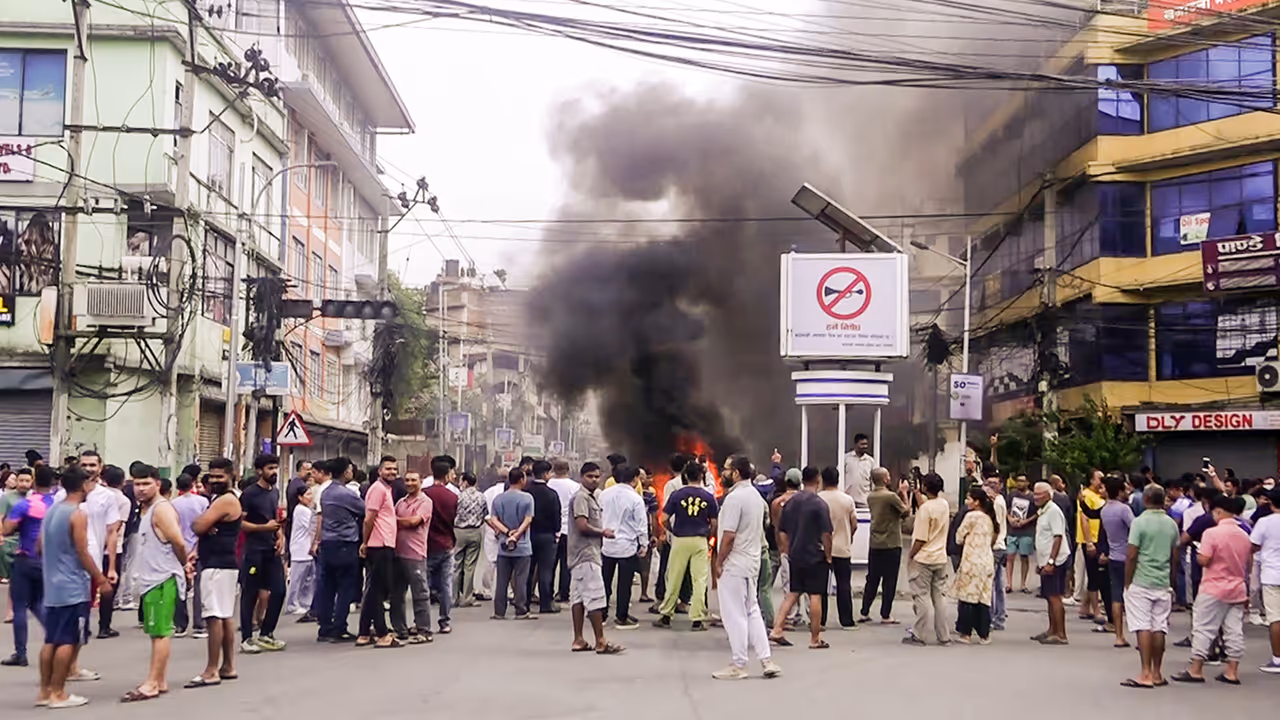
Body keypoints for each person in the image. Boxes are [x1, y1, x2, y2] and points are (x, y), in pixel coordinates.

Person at [35, 467, 109, 709]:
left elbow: (39, 547)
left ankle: (45, 692)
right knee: (68, 640)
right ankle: (58, 693)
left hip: (53, 583)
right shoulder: (77, 514)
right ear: (84, 485)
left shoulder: (52, 510)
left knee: (51, 640)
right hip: (72, 585)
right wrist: (100, 578)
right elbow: (82, 551)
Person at [119, 467, 188, 702]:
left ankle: (152, 683)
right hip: (150, 578)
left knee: (160, 633)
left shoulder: (161, 510)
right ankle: (159, 679)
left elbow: (179, 541)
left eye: (146, 483)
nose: (140, 488)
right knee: (155, 633)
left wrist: (183, 565)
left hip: (161, 578)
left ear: (157, 484)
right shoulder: (147, 509)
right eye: (137, 484)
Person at [712, 455, 782, 680]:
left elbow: (729, 536)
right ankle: (766, 660)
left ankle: (739, 664)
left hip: (734, 564)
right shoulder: (754, 496)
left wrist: (719, 561)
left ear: (736, 473)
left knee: (734, 615)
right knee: (752, 611)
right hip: (751, 563)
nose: (723, 473)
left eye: (726, 469)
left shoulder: (734, 499)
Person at [1172, 495, 1252, 685]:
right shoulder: (1244, 534)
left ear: (1218, 511)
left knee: (1203, 628)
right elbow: (1248, 564)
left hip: (1213, 587)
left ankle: (1196, 669)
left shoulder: (1211, 534)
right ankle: (1232, 671)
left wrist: (1200, 554)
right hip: (1237, 587)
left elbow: (1205, 559)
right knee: (1234, 630)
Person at [187, 464, 242, 688]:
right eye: (212, 476)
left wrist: (205, 523)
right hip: (223, 563)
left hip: (217, 565)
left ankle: (211, 670)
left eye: (221, 476)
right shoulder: (220, 499)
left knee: (213, 616)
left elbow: (198, 526)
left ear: (231, 477)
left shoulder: (225, 500)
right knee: (224, 615)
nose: (215, 480)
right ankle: (227, 666)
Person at [769, 463, 833, 650]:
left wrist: (786, 549)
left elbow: (781, 530)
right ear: (818, 479)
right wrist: (828, 556)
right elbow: (826, 534)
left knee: (792, 593)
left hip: (795, 555)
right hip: (815, 555)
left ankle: (777, 629)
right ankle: (815, 638)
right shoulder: (819, 504)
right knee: (815, 595)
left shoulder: (791, 503)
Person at [1122, 484, 1180, 689]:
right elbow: (1175, 556)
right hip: (1162, 581)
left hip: (1141, 580)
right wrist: (1172, 580)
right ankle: (1157, 672)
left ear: (1146, 499)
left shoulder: (1139, 523)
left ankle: (1145, 672)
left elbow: (1131, 554)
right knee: (1159, 627)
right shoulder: (1171, 524)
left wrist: (1127, 582)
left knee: (1142, 626)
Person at [2, 464, 57, 667]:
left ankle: (21, 653)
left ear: (34, 481)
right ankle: (56, 637)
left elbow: (7, 529)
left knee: (19, 607)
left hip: (26, 558)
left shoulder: (25, 504)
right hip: (47, 561)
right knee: (38, 602)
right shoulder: (57, 504)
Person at [653, 461, 718, 631]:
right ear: (701, 476)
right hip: (700, 540)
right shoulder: (709, 497)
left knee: (674, 577)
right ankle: (697, 619)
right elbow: (714, 523)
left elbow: (664, 518)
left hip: (680, 539)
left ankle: (666, 615)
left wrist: (672, 530)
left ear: (685, 476)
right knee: (699, 579)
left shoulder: (677, 495)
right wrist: (708, 536)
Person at [568, 462, 623, 654]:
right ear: (582, 477)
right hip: (586, 555)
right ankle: (601, 641)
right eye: (590, 476)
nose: (594, 480)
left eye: (597, 476)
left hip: (580, 555)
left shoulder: (590, 497)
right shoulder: (581, 497)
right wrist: (603, 532)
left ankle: (579, 639)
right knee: (595, 598)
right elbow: (582, 525)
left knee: (578, 597)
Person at [236, 454, 286, 654]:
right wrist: (263, 528)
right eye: (270, 468)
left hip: (271, 550)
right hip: (254, 551)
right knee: (251, 593)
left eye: (275, 468)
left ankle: (266, 633)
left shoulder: (274, 492)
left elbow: (274, 519)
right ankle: (247, 637)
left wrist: (280, 535)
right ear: (259, 471)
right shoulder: (249, 494)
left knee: (280, 590)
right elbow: (240, 523)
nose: (274, 472)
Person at [312, 459, 364, 643]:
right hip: (345, 543)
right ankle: (339, 627)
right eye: (350, 469)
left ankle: (325, 627)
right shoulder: (346, 493)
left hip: (328, 543)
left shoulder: (326, 492)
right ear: (345, 472)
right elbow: (364, 510)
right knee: (345, 587)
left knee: (328, 587)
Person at [357, 455, 400, 648]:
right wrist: (365, 542)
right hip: (379, 545)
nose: (392, 472)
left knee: (374, 589)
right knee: (378, 591)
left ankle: (364, 632)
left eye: (394, 469)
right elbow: (369, 519)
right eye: (388, 469)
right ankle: (382, 633)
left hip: (384, 544)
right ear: (380, 471)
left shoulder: (385, 490)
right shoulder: (377, 489)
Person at [903, 473, 950, 647]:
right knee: (939, 597)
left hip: (924, 557)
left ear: (924, 487)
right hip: (940, 556)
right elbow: (929, 509)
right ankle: (943, 634)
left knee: (921, 596)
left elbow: (921, 538)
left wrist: (911, 555)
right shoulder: (943, 504)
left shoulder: (925, 509)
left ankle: (919, 633)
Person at [600, 464, 648, 629]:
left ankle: (601, 613)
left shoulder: (603, 495)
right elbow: (641, 523)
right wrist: (644, 544)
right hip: (626, 546)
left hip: (607, 545)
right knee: (624, 583)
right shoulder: (635, 498)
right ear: (634, 479)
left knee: (605, 582)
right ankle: (621, 616)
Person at [390, 466, 434, 644]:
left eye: (413, 480)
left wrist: (393, 520)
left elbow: (414, 522)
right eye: (407, 480)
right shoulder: (400, 502)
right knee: (397, 594)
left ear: (421, 482)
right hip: (397, 553)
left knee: (420, 593)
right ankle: (400, 629)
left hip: (416, 554)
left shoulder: (425, 502)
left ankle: (424, 630)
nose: (409, 483)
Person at [861, 467, 908, 624]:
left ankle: (864, 611)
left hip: (875, 542)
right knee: (889, 580)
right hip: (891, 542)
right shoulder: (890, 496)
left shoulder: (871, 496)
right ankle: (885, 614)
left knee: (872, 579)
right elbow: (905, 512)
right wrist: (904, 493)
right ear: (885, 479)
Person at [489, 467, 536, 620]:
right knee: (521, 579)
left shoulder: (499, 499)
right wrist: (517, 535)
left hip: (503, 545)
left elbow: (493, 519)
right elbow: (528, 519)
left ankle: (499, 611)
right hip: (522, 546)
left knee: (502, 580)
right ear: (522, 480)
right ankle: (521, 610)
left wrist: (507, 532)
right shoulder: (527, 498)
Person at [953, 486, 997, 644]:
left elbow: (958, 537)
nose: (967, 502)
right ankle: (984, 634)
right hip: (986, 560)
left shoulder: (971, 516)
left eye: (969, 499)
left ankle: (966, 633)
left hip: (972, 561)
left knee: (968, 598)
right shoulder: (989, 518)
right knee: (983, 599)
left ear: (977, 502)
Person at [817, 465, 857, 631]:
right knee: (843, 585)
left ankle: (821, 620)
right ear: (838, 479)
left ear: (823, 480)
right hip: (842, 548)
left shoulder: (818, 498)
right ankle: (846, 621)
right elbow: (854, 524)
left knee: (820, 587)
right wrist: (848, 537)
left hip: (820, 549)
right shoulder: (847, 500)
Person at [1032, 481, 1071, 645]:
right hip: (1046, 560)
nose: (1036, 497)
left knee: (1055, 596)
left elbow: (1058, 537)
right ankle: (1052, 629)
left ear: (1048, 495)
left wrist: (1050, 561)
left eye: (1039, 494)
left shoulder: (1054, 511)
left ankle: (1060, 633)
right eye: (1034, 493)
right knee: (1049, 595)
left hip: (1056, 560)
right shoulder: (1043, 511)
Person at [423, 458, 459, 635]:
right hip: (446, 543)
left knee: (423, 584)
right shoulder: (452, 496)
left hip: (427, 544)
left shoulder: (423, 494)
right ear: (446, 476)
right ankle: (444, 621)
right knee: (446, 585)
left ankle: (422, 622)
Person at [169, 474, 207, 638]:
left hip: (179, 548)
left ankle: (180, 624)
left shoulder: (172, 505)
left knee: (179, 586)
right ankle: (199, 625)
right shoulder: (202, 502)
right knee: (199, 586)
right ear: (192, 484)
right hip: (198, 547)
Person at [1100, 474, 1134, 648]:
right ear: (1120, 491)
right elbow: (1134, 529)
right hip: (1127, 556)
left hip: (1113, 555)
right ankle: (1140, 635)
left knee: (1116, 596)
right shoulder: (1124, 509)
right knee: (1133, 596)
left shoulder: (1105, 509)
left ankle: (1119, 635)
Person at [524, 459, 561, 614]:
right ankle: (546, 604)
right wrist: (557, 532)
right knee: (546, 570)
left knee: (527, 570)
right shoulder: (552, 494)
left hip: (528, 534)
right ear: (546, 474)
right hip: (547, 536)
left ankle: (524, 602)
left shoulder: (526, 492)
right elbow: (556, 517)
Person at [1251, 487, 1280, 673]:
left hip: (1271, 574)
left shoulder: (1265, 522)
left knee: (1275, 618)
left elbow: (1253, 545)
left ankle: (1277, 659)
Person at [547, 459, 581, 603]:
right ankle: (563, 592)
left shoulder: (548, 484)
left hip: (551, 530)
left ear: (554, 470)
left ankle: (548, 592)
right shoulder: (575, 487)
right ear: (568, 469)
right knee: (566, 564)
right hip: (568, 530)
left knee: (549, 565)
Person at [0, 467, 32, 625]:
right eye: (21, 480)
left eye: (27, 481)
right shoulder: (7, 498)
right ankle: (11, 610)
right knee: (14, 578)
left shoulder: (35, 498)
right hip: (12, 541)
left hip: (32, 542)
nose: (24, 484)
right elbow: (0, 517)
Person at [452, 471, 486, 608]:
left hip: (459, 532)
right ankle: (467, 597)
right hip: (475, 531)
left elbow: (453, 512)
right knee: (470, 566)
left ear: (465, 482)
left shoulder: (458, 497)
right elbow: (485, 514)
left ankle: (454, 597)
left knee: (456, 565)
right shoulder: (481, 497)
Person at [1076, 470, 1107, 622]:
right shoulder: (1087, 495)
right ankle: (1096, 609)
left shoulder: (1100, 496)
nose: (1101, 482)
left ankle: (1084, 606)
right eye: (1099, 479)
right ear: (1091, 480)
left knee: (1094, 574)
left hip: (1100, 538)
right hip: (1091, 539)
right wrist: (1088, 541)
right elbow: (1085, 518)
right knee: (1094, 575)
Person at [284, 486, 317, 616]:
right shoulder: (301, 510)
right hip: (300, 549)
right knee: (297, 579)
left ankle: (304, 603)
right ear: (300, 497)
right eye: (307, 494)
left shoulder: (307, 510)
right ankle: (292, 605)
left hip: (307, 550)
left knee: (309, 579)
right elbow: (312, 526)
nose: (310, 497)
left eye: (311, 494)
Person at [1005, 474, 1036, 594]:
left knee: (1024, 557)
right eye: (1018, 481)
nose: (1020, 483)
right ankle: (1009, 583)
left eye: (1022, 481)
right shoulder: (1012, 494)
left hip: (1026, 531)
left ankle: (1023, 583)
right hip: (1012, 530)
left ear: (1028, 483)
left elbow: (1036, 513)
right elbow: (1006, 509)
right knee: (1010, 556)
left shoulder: (1032, 497)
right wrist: (1010, 519)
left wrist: (1025, 521)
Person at [478, 477, 505, 601]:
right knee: (509, 562)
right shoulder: (511, 492)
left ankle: (486, 590)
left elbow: (484, 514)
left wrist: (495, 528)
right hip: (508, 530)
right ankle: (509, 591)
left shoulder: (488, 492)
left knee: (490, 560)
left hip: (491, 529)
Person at [842, 433, 875, 508]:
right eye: (862, 444)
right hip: (848, 498)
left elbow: (873, 481)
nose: (865, 446)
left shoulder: (870, 461)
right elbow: (840, 476)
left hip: (864, 500)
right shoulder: (846, 458)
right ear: (856, 444)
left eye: (866, 444)